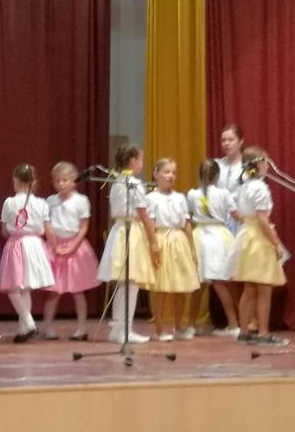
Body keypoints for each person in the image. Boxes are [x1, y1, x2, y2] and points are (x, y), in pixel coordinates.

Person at [97, 144, 159, 344]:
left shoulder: (116, 181)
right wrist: (154, 242)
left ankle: (119, 328)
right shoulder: (133, 183)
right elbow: (144, 214)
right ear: (132, 161)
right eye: (140, 159)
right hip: (130, 232)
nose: (141, 163)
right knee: (130, 283)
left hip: (120, 230)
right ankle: (124, 330)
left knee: (124, 284)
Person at [228, 147, 288, 344]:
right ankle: (263, 332)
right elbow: (262, 220)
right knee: (264, 288)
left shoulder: (245, 186)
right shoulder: (260, 187)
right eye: (266, 161)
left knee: (249, 288)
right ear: (259, 163)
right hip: (258, 238)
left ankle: (244, 331)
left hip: (247, 236)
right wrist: (276, 243)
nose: (268, 165)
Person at [41, 161, 100, 341]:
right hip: (55, 246)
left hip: (75, 247)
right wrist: (54, 245)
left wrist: (73, 246)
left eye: (65, 180)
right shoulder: (50, 201)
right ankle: (47, 327)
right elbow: (47, 225)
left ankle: (82, 328)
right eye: (57, 181)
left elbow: (83, 227)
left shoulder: (81, 201)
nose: (61, 184)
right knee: (54, 291)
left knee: (77, 290)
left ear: (74, 180)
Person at [0, 164, 54, 343]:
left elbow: (4, 230)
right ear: (33, 182)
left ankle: (28, 323)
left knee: (13, 287)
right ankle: (23, 329)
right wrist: (54, 246)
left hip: (16, 244)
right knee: (25, 288)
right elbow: (47, 229)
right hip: (35, 245)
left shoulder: (9, 202)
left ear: (15, 181)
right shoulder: (42, 203)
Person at [146, 158, 200, 341]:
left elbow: (186, 223)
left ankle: (179, 325)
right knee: (161, 288)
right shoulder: (151, 198)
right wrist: (153, 244)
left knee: (181, 287)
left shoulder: (179, 198)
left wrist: (191, 247)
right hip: (161, 239)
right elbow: (150, 223)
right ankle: (159, 329)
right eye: (166, 172)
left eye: (173, 172)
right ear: (156, 174)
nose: (170, 176)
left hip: (179, 241)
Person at [186, 159, 240, 338]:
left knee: (198, 285)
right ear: (217, 176)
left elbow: (188, 218)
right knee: (219, 282)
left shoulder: (192, 194)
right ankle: (233, 324)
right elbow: (236, 215)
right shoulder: (224, 193)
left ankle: (191, 325)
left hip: (199, 237)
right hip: (219, 237)